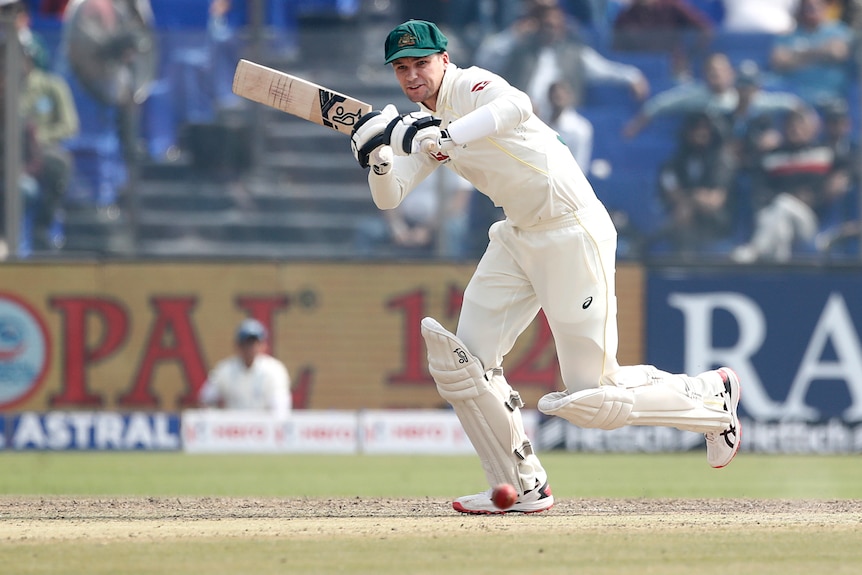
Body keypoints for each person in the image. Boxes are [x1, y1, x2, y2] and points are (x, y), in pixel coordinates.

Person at [349, 20, 742, 515]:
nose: (412, 76)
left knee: (592, 397)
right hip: (517, 235)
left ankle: (710, 398)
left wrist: (439, 134)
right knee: (462, 363)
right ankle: (522, 486)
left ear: (443, 60)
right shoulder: (423, 122)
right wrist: (379, 158)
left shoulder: (471, 85)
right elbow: (392, 198)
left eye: (421, 64)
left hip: (571, 230)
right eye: (402, 68)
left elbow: (518, 106)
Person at [475, 2, 650, 120]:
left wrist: (632, 76)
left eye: (554, 25)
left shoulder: (575, 53)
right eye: (545, 25)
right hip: (520, 116)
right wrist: (513, 35)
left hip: (559, 119)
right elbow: (484, 57)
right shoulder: (518, 49)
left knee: (579, 128)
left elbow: (605, 70)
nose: (550, 30)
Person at [731, 107, 846, 262]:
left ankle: (755, 249)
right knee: (781, 223)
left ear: (811, 129)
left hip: (811, 221)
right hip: (777, 214)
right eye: (791, 126)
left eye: (800, 126)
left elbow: (853, 164)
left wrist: (843, 176)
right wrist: (758, 148)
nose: (795, 130)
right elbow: (757, 183)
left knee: (782, 203)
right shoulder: (772, 156)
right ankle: (781, 267)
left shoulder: (824, 153)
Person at [20, 44, 80, 251]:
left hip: (39, 149)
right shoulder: (5, 87)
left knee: (59, 164)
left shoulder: (51, 86)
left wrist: (38, 137)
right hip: (8, 150)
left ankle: (42, 227)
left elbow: (69, 125)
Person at [198, 318, 291, 419]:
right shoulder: (225, 369)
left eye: (254, 343)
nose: (250, 348)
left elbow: (281, 407)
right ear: (238, 345)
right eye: (246, 343)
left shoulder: (275, 370)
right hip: (232, 429)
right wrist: (216, 418)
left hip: (264, 428)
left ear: (263, 345)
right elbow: (205, 399)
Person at [769, 0, 855, 106]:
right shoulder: (789, 35)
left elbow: (839, 52)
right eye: (808, 7)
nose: (812, 10)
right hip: (797, 99)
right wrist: (821, 51)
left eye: (817, 6)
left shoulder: (839, 31)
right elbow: (779, 61)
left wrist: (797, 55)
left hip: (833, 97)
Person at [612, 0, 714, 81]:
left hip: (672, 69)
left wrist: (689, 55)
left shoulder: (672, 6)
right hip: (640, 74)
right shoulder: (625, 16)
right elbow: (618, 51)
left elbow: (705, 29)